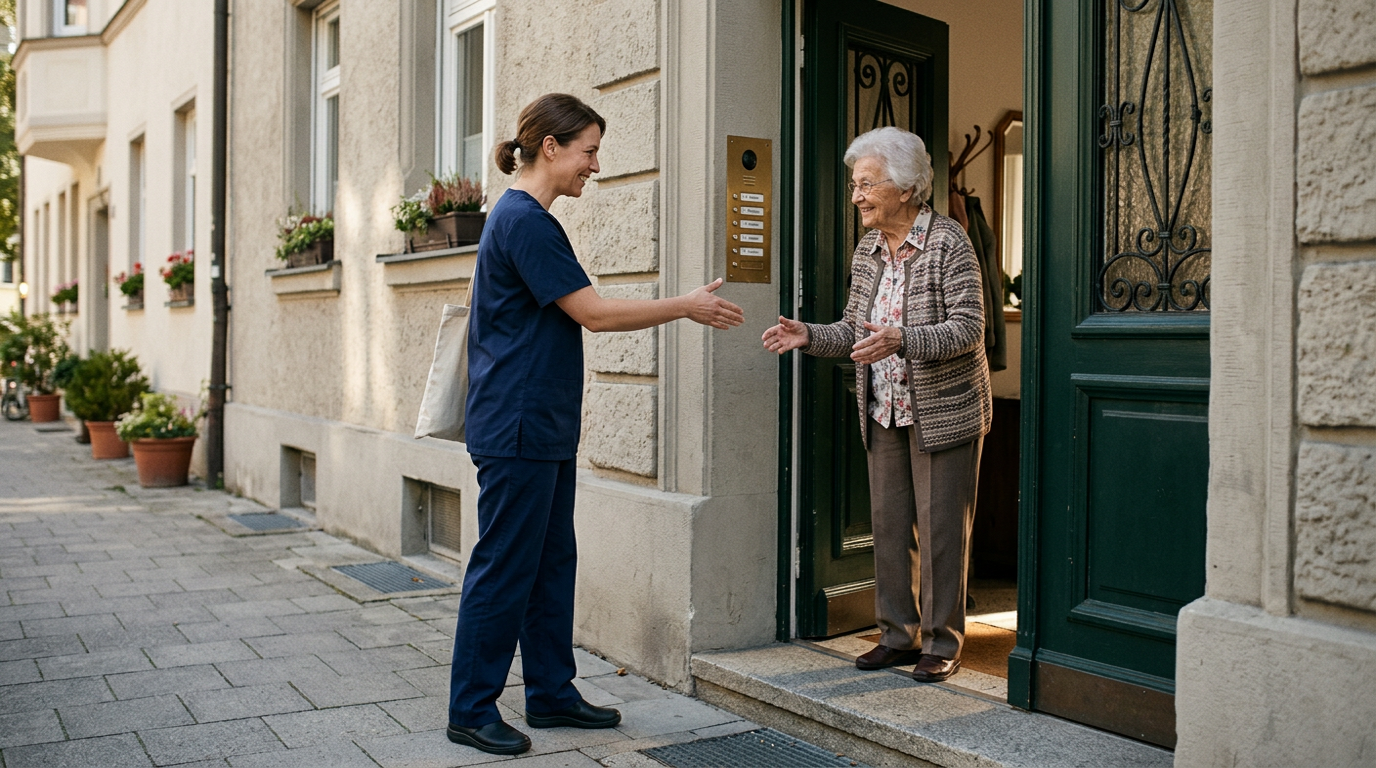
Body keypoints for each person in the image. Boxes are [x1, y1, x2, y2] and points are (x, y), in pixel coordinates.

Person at [447, 93, 744, 756]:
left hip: (539, 424)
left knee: (550, 563)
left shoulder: (528, 217)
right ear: (550, 148)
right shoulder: (523, 220)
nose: (595, 165)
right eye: (588, 150)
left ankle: (551, 693)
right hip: (518, 427)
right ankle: (469, 707)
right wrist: (686, 306)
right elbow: (594, 313)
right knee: (503, 567)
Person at [762, 126, 991, 683]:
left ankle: (942, 641)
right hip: (883, 404)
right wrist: (809, 336)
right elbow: (853, 328)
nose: (857, 195)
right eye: (855, 185)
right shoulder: (868, 248)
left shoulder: (949, 242)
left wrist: (902, 339)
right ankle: (897, 634)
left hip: (945, 409)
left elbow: (969, 327)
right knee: (890, 526)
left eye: (867, 184)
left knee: (941, 531)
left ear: (907, 187)